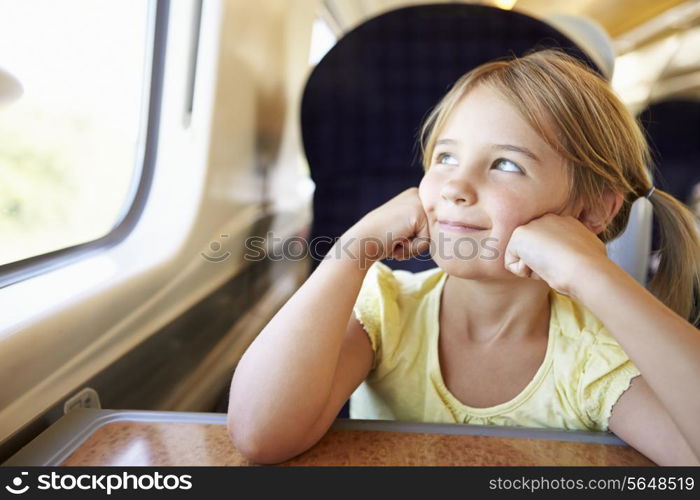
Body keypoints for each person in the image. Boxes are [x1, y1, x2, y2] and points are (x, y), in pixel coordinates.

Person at [227, 50, 700, 465]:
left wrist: (592, 274)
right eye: (445, 159)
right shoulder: (387, 311)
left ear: (591, 210)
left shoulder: (590, 355)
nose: (454, 185)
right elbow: (260, 435)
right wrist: (354, 250)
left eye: (506, 165)